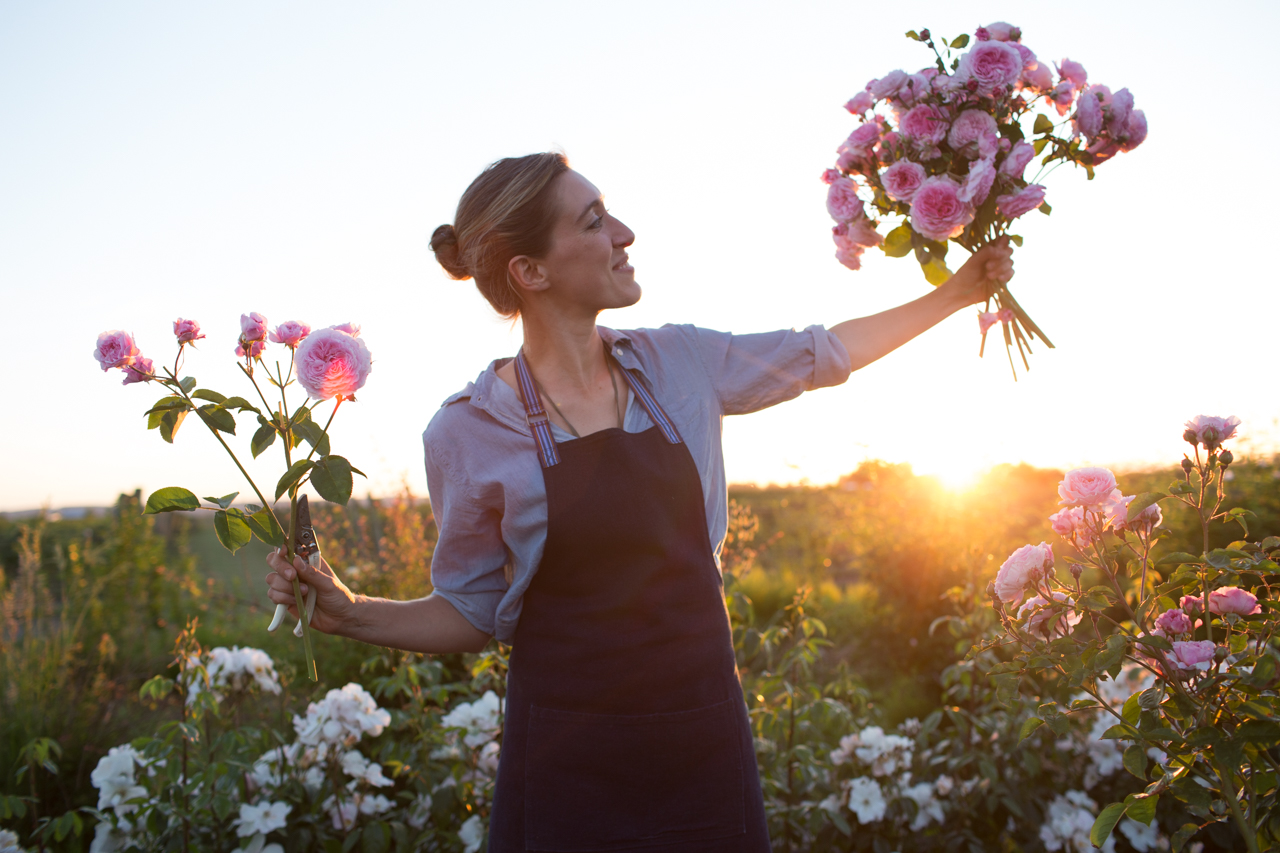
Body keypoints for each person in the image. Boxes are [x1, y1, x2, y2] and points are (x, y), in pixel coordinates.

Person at [265, 151, 1013, 851]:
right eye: (592, 221)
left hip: (703, 742)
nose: (624, 233)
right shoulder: (467, 430)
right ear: (529, 269)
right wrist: (349, 610)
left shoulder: (679, 362)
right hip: (565, 763)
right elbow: (473, 610)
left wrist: (955, 294)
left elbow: (822, 352)